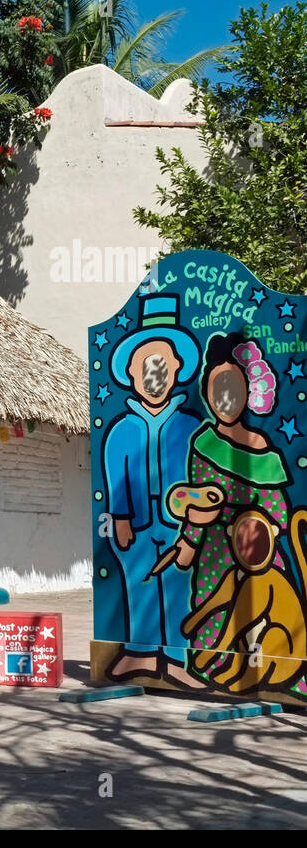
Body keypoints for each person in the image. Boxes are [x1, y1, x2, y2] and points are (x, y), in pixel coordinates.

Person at [170, 333, 291, 673]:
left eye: (233, 387)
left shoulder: (265, 450)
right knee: (212, 609)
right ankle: (211, 669)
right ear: (207, 392)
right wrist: (190, 540)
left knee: (261, 615)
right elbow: (197, 497)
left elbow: (279, 510)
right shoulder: (204, 442)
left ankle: (266, 670)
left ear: (250, 391)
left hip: (260, 554)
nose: (225, 397)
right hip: (215, 554)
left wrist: (257, 529)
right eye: (217, 387)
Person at [102, 293, 203, 685]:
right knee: (139, 581)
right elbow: (117, 476)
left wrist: (194, 524)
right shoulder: (122, 430)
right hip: (138, 524)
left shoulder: (190, 425)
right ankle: (140, 653)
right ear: (130, 371)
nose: (154, 374)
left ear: (177, 368)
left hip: (179, 523)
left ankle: (179, 657)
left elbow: (198, 477)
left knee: (179, 585)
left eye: (161, 364)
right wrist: (122, 518)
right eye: (146, 366)